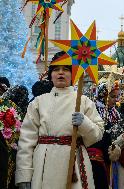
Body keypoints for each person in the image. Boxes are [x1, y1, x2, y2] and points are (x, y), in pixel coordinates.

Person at [15, 51, 104, 189]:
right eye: (56, 69)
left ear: (73, 74)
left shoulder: (84, 101)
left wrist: (84, 123)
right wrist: (24, 174)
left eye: (66, 69)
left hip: (73, 164)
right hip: (43, 166)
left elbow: (97, 135)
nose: (61, 73)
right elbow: (26, 141)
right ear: (50, 74)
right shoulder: (38, 102)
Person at [88, 80, 124, 189]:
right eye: (113, 96)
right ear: (103, 96)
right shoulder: (93, 110)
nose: (116, 99)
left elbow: (120, 130)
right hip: (97, 157)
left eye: (117, 96)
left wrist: (121, 139)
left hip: (113, 155)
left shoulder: (116, 113)